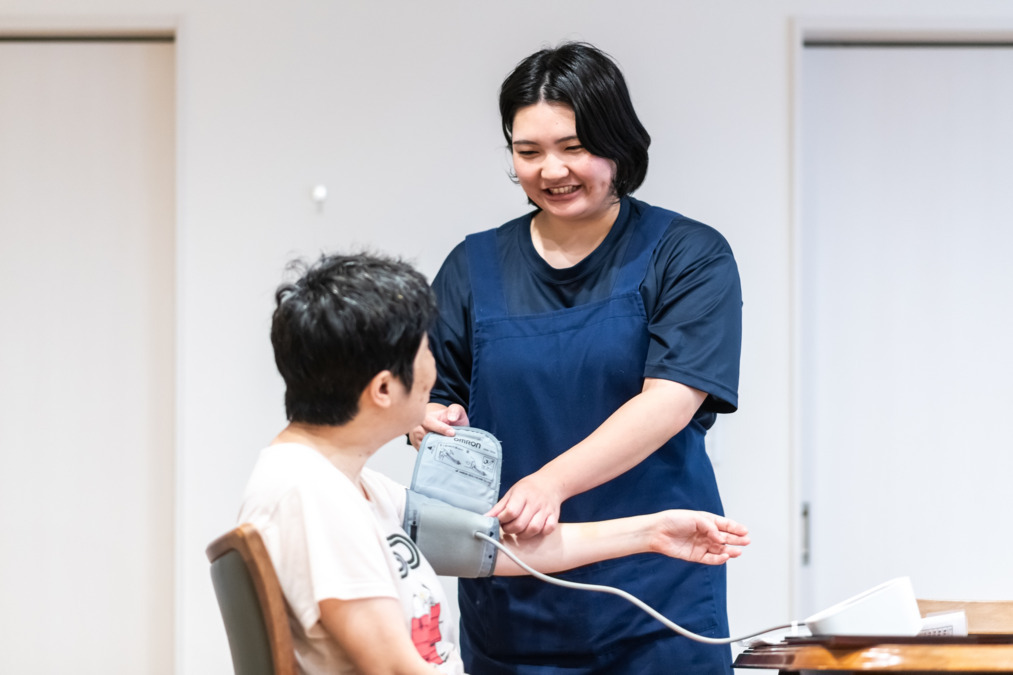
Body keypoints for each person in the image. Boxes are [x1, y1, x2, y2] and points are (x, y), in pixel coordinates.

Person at [238, 253, 749, 675]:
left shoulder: (347, 485)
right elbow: (392, 669)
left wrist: (650, 532)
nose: (437, 367)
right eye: (425, 350)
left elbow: (489, 547)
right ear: (385, 389)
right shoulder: (312, 496)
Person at [414, 42, 743, 674]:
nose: (552, 170)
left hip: (655, 598)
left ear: (618, 142)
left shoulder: (687, 255)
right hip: (514, 593)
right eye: (528, 151)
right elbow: (426, 397)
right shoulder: (472, 267)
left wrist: (552, 483)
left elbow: (670, 400)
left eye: (574, 146)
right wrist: (424, 424)